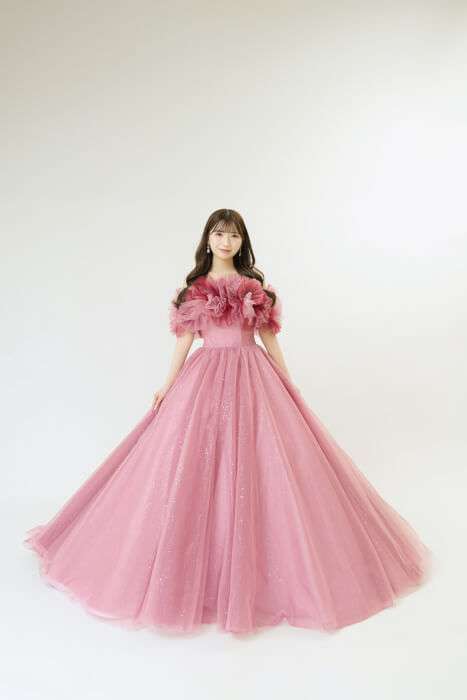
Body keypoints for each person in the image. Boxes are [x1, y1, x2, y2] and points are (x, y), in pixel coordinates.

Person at [23, 208, 433, 636]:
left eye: (234, 236)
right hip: (205, 379)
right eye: (219, 234)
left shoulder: (256, 288)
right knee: (193, 462)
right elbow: (185, 341)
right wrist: (168, 384)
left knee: (264, 461)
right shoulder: (194, 290)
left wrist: (288, 383)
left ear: (242, 242)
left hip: (253, 377)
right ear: (207, 239)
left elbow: (269, 339)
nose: (226, 241)